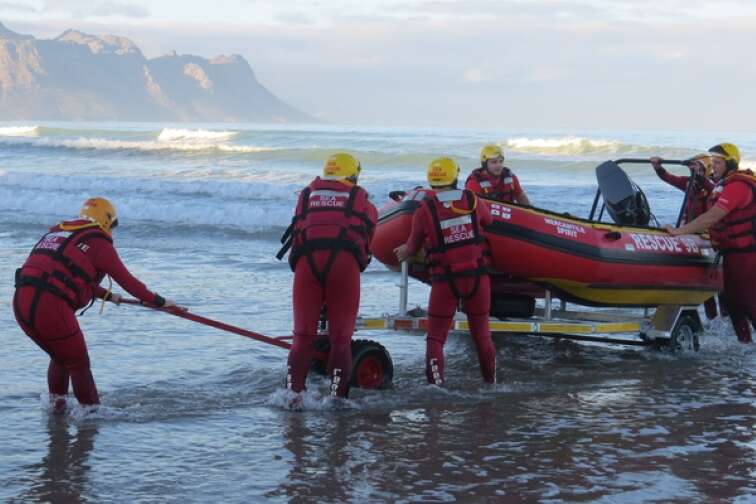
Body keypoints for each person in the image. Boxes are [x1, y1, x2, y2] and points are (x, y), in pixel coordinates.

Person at [13, 197, 182, 409]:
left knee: (60, 356)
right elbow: (130, 283)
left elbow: (62, 275)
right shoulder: (99, 243)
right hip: (50, 307)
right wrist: (161, 302)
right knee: (78, 364)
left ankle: (57, 408)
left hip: (21, 304)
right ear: (106, 222)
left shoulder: (58, 234)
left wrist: (109, 296)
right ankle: (91, 416)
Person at [279, 152, 377, 402]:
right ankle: (336, 399)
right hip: (342, 265)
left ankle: (292, 396)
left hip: (307, 264)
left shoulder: (307, 195)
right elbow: (369, 234)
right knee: (341, 339)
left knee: (302, 337)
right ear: (353, 175)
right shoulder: (360, 199)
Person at [394, 157, 496, 386]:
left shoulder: (424, 210)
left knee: (436, 339)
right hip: (477, 279)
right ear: (455, 177)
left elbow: (411, 248)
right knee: (482, 336)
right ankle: (491, 384)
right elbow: (488, 220)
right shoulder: (472, 200)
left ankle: (436, 389)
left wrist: (402, 251)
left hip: (445, 281)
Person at [665, 143, 755, 343]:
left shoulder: (737, 186)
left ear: (730, 163)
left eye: (718, 162)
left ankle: (747, 345)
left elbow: (712, 216)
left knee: (748, 302)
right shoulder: (723, 185)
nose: (713, 166)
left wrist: (680, 231)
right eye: (712, 162)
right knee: (732, 302)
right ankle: (746, 346)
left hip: (747, 254)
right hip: (732, 253)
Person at [651, 154, 722, 319]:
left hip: (706, 235)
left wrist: (698, 174)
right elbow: (670, 178)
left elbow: (710, 187)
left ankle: (719, 319)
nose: (695, 171)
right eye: (694, 167)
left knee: (714, 286)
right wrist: (658, 168)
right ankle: (707, 317)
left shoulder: (715, 186)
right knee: (700, 283)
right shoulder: (689, 183)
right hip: (688, 232)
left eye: (699, 168)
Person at [465, 144, 531, 205]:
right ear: (485, 164)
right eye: (494, 162)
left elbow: (521, 197)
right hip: (486, 215)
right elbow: (473, 209)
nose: (498, 165)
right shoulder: (474, 183)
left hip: (509, 214)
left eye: (501, 161)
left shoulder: (511, 177)